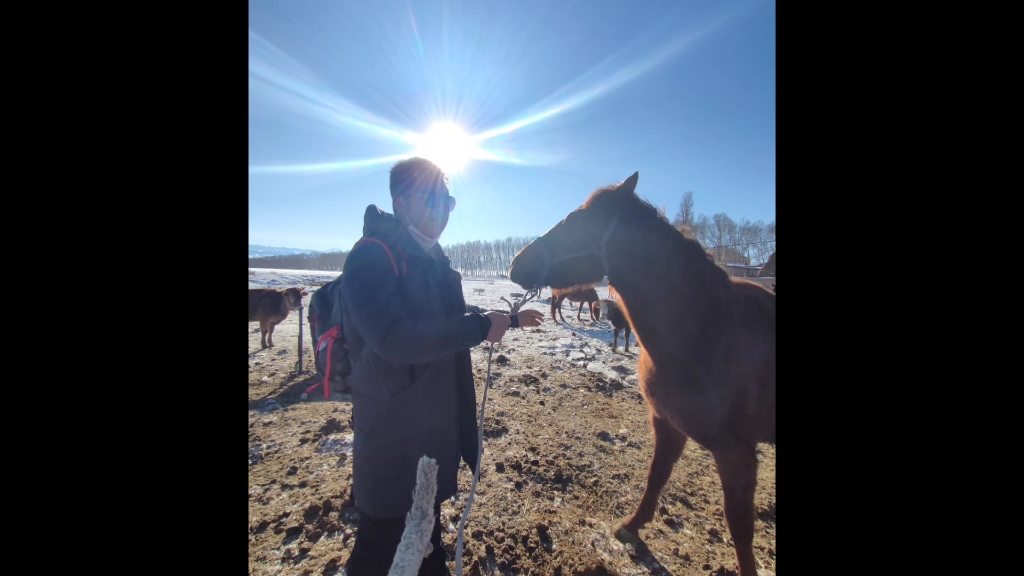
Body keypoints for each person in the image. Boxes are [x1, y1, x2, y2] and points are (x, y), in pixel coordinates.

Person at [340, 157, 544, 575]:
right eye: (428, 197)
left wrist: (503, 320)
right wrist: (477, 328)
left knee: (425, 538)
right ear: (399, 202)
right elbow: (394, 339)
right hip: (393, 440)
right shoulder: (370, 258)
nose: (439, 208)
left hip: (428, 436)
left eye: (446, 200)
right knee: (381, 548)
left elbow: (443, 318)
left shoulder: (432, 260)